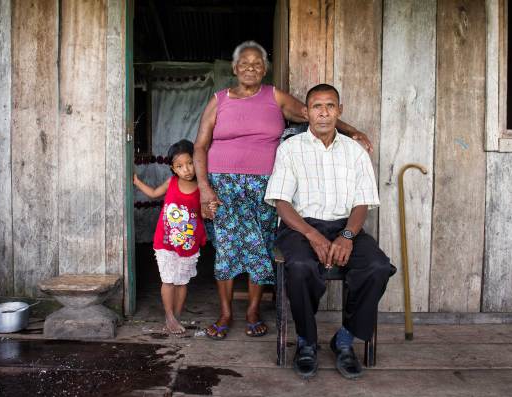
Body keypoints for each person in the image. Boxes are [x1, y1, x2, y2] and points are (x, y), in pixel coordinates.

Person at [194, 40, 373, 340]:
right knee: (225, 250)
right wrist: (203, 188)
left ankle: (252, 311)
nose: (251, 67)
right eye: (245, 63)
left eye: (257, 63)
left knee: (260, 250)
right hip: (223, 187)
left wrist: (351, 130)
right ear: (235, 68)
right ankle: (225, 313)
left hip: (265, 187)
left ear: (264, 69)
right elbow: (200, 145)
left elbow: (314, 113)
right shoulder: (219, 100)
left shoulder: (273, 96)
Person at [264, 84, 396, 379]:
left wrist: (348, 236)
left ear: (340, 110)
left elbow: (362, 201)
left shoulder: (355, 152)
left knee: (377, 266)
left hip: (344, 226)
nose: (323, 113)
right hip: (300, 226)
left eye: (330, 106)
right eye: (317, 107)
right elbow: (282, 202)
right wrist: (312, 234)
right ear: (306, 112)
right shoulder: (290, 149)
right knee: (298, 266)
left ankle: (345, 339)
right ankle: (306, 342)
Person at [133, 139, 207, 334]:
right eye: (180, 166)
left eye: (190, 163)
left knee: (182, 282)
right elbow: (153, 194)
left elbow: (207, 213)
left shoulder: (202, 187)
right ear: (173, 169)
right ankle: (169, 316)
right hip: (165, 243)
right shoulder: (171, 182)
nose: (187, 169)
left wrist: (212, 206)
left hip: (189, 245)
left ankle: (177, 316)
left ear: (197, 161)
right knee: (168, 280)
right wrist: (137, 181)